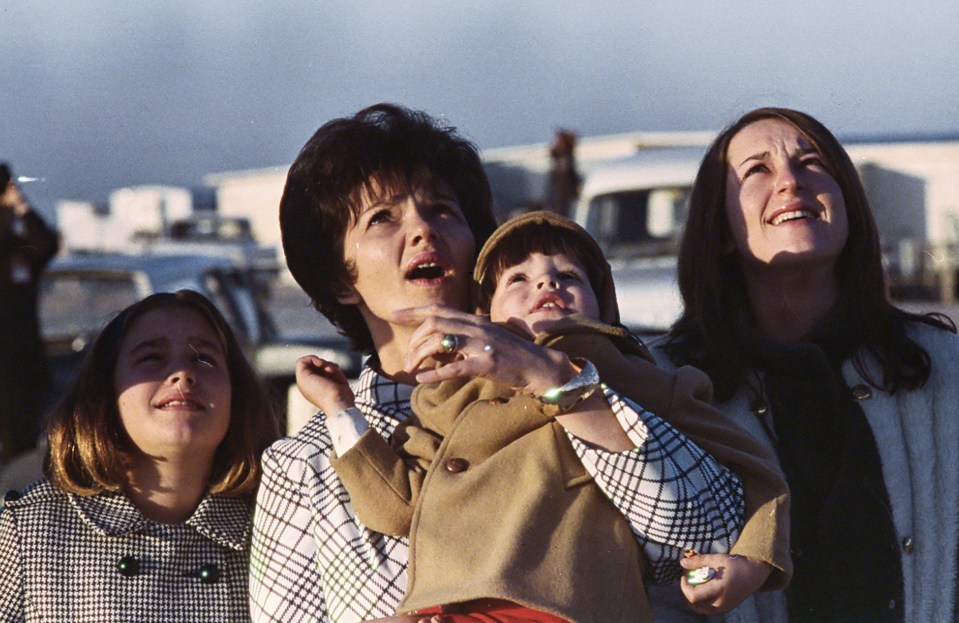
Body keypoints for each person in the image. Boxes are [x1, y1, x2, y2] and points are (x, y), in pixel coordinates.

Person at [249, 103, 747, 623]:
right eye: (383, 218)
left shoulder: (591, 383)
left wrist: (552, 381)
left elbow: (711, 535)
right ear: (339, 279)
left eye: (443, 210)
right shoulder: (306, 466)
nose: (422, 230)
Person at [294, 210, 791, 623]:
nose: (547, 282)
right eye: (518, 279)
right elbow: (397, 508)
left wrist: (754, 564)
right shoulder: (448, 399)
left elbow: (754, 470)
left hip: (567, 606)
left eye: (569, 276)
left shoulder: (638, 379)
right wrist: (341, 412)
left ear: (604, 305)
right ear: (483, 313)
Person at [654, 106, 959, 623]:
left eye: (812, 163)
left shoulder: (941, 365)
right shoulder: (667, 386)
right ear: (721, 228)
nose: (791, 182)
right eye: (757, 170)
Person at [0, 290, 279, 622]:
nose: (182, 374)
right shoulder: (28, 533)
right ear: (106, 393)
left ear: (236, 392)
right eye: (151, 359)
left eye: (203, 358)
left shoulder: (277, 531)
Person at [0, 163, 59, 465]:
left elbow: (47, 244)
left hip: (21, 364)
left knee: (22, 447)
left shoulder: (19, 252)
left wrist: (21, 204)